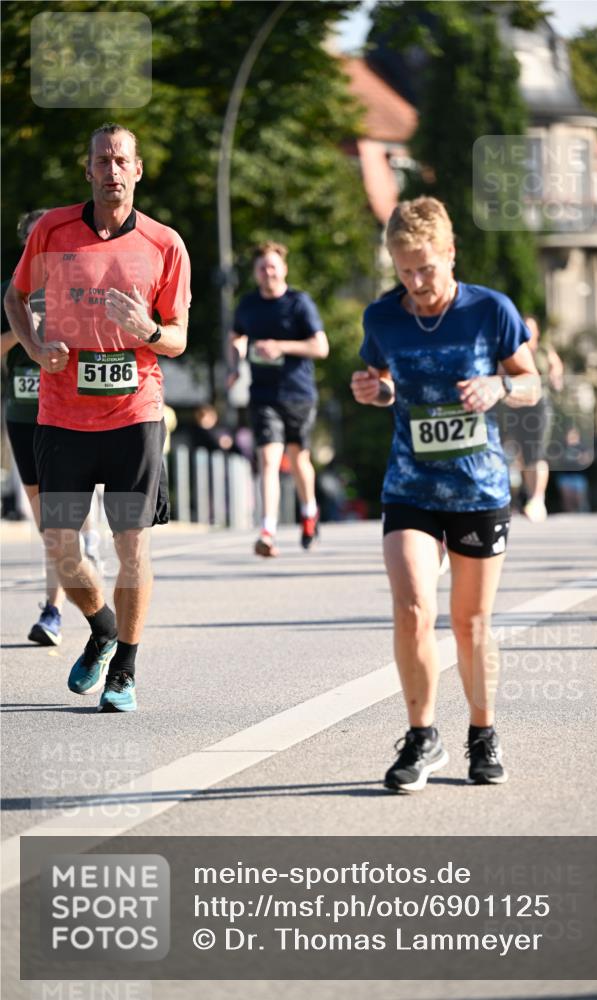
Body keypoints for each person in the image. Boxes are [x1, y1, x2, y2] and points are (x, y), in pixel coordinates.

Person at [351, 196, 539, 792]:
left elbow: (531, 382)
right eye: (404, 270)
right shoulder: (383, 318)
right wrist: (371, 390)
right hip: (410, 484)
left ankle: (482, 735)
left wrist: (499, 386)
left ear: (449, 253)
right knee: (411, 609)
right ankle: (422, 735)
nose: (417, 282)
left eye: (426, 268)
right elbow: (382, 386)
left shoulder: (491, 311)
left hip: (479, 488)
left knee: (471, 622)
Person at [4, 122, 191, 712]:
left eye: (121, 160)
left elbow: (179, 338)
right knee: (61, 546)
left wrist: (150, 331)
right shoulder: (53, 232)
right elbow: (14, 296)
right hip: (61, 416)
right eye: (102, 160)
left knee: (131, 545)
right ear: (88, 170)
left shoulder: (165, 244)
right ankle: (103, 629)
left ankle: (126, 669)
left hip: (135, 412)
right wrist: (34, 348)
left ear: (138, 170)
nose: (111, 170)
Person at [228, 241, 329, 557]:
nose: (267, 272)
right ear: (255, 273)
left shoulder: (299, 304)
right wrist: (235, 362)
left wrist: (281, 347)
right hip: (262, 394)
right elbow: (236, 336)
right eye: (261, 267)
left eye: (272, 266)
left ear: (283, 269)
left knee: (299, 460)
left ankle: (309, 511)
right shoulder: (247, 305)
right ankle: (267, 531)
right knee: (268, 460)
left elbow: (320, 347)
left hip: (298, 393)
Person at [2, 209, 66, 644]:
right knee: (47, 522)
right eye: (29, 238)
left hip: (64, 415)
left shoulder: (72, 286)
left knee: (59, 519)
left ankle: (53, 611)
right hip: (23, 414)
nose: (35, 245)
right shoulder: (11, 291)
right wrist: (25, 333)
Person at [501, 315, 563, 523]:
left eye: (530, 328)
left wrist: (556, 380)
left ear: (536, 331)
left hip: (539, 405)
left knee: (536, 451)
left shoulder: (545, 351)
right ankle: (531, 496)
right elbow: (500, 374)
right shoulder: (511, 350)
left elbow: (557, 371)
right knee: (522, 453)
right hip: (516, 405)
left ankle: (538, 499)